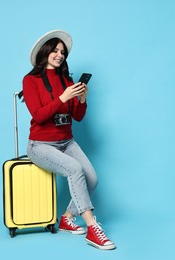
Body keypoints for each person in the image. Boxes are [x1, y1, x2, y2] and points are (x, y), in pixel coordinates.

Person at [22, 29, 115, 250]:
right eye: (54, 51)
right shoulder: (30, 80)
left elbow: (78, 117)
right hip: (40, 145)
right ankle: (92, 229)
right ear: (44, 53)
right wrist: (63, 97)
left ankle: (66, 219)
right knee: (75, 169)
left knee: (92, 179)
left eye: (62, 52)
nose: (59, 55)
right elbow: (38, 115)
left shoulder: (66, 80)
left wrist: (81, 98)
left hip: (67, 142)